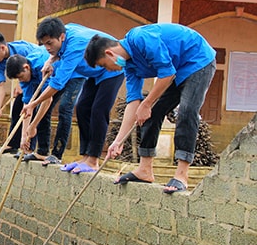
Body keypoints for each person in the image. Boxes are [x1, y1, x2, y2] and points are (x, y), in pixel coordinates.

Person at [84, 23, 216, 193]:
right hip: (177, 69)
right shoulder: (130, 68)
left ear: (109, 53)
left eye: (103, 65)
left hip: (198, 61)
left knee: (187, 111)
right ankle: (145, 170)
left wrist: (146, 104)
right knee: (150, 115)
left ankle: (181, 175)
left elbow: (166, 73)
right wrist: (118, 141)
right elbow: (134, 104)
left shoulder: (140, 38)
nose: (106, 69)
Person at [22, 18, 123, 169]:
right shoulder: (65, 30)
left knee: (98, 110)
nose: (47, 48)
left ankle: (93, 160)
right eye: (44, 44)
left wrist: (33, 104)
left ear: (61, 37)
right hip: (94, 73)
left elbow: (57, 84)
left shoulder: (75, 45)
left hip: (112, 69)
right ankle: (86, 156)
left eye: (50, 43)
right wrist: (52, 59)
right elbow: (58, 52)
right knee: (82, 107)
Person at [0, 32, 42, 156]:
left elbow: (28, 70)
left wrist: (20, 84)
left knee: (32, 109)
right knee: (16, 108)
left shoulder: (23, 50)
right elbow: (0, 85)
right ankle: (13, 144)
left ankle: (29, 147)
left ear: (3, 48)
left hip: (39, 75)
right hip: (25, 79)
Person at [5, 48, 51, 155]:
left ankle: (42, 152)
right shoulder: (25, 78)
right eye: (18, 79)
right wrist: (24, 137)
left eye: (21, 77)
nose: (21, 81)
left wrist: (33, 126)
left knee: (46, 112)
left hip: (69, 75)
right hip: (43, 78)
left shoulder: (41, 66)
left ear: (26, 68)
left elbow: (48, 99)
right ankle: (26, 149)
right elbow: (27, 106)